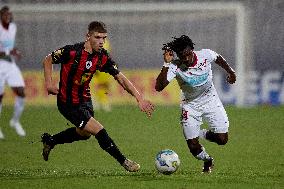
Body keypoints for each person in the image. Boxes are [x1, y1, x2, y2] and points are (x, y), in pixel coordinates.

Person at [41, 21, 154, 172]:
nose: (101, 42)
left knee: (85, 133)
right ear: (88, 36)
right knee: (98, 130)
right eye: (97, 37)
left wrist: (139, 98)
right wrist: (49, 84)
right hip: (68, 102)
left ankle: (51, 140)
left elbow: (120, 77)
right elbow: (48, 59)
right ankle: (125, 162)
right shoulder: (72, 52)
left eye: (104, 38)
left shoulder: (102, 57)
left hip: (85, 100)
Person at [155, 35, 236, 173]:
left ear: (192, 50)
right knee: (193, 147)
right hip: (190, 106)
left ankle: (202, 133)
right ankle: (207, 160)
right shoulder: (175, 66)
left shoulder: (205, 55)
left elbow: (218, 58)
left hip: (211, 100)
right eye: (181, 55)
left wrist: (230, 71)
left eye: (187, 54)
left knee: (222, 139)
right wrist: (166, 64)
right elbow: (159, 87)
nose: (185, 58)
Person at [0, 6, 26, 139]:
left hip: (10, 64)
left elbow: (9, 47)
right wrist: (10, 52)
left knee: (21, 92)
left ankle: (15, 121)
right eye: (5, 15)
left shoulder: (13, 27)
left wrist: (15, 51)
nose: (7, 17)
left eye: (9, 15)